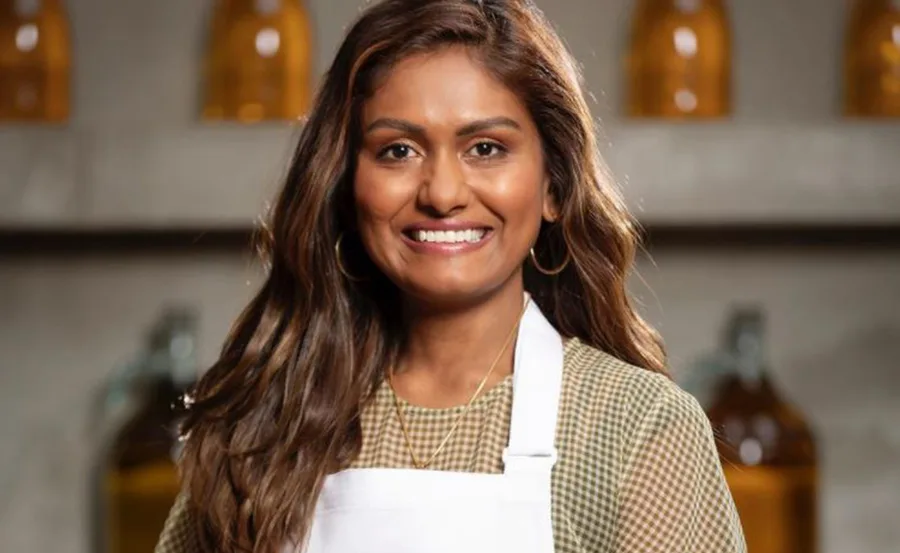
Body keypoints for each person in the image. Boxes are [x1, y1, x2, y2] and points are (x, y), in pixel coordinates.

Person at [155, 0, 746, 552]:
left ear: (553, 188)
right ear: (344, 185)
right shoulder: (263, 424)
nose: (442, 194)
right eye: (398, 150)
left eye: (486, 148)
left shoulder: (632, 424)